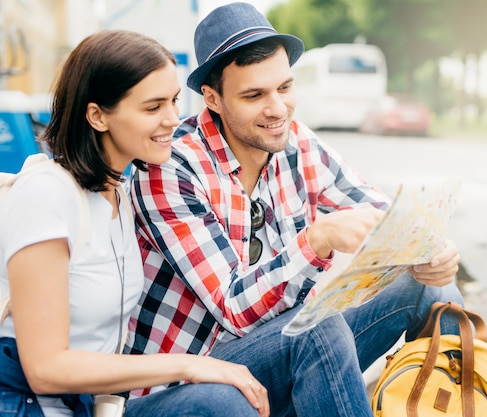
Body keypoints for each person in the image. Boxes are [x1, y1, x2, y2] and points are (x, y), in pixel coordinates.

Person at [126, 2, 463, 416]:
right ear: (212, 99)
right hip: (182, 385)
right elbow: (233, 310)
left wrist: (431, 248)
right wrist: (317, 238)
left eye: (284, 88)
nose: (278, 109)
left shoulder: (298, 143)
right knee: (315, 326)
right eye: (254, 95)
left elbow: (384, 216)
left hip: (280, 358)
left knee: (429, 289)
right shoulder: (171, 168)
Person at [0, 30, 268, 417]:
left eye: (174, 101)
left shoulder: (120, 194)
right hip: (26, 404)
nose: (173, 119)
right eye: (153, 107)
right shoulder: (47, 195)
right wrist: (187, 365)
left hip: (89, 406)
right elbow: (46, 369)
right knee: (219, 400)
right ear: (97, 115)